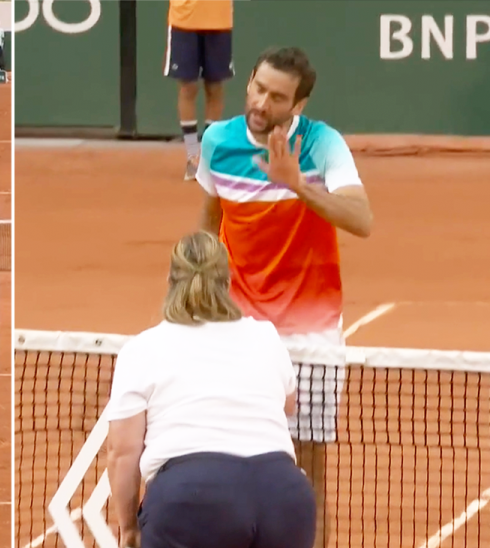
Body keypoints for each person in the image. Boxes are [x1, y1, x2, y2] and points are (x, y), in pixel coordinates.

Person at [195, 46, 373, 548]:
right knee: (226, 457)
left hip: (311, 335)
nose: (261, 102)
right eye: (257, 87)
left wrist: (296, 183)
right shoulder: (217, 140)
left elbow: (361, 221)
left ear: (299, 105)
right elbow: (212, 220)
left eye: (277, 97)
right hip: (238, 330)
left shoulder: (321, 144)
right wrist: (194, 292)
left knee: (305, 472)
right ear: (248, 81)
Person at [106, 231, 317, 548]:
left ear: (171, 280)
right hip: (284, 497)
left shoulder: (142, 349)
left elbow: (122, 453)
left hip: (189, 501)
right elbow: (287, 406)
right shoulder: (265, 337)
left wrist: (128, 527)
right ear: (228, 282)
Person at [164, 0, 234, 180]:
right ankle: (193, 156)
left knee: (215, 86)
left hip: (219, 19)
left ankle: (208, 155)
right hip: (184, 20)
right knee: (188, 87)